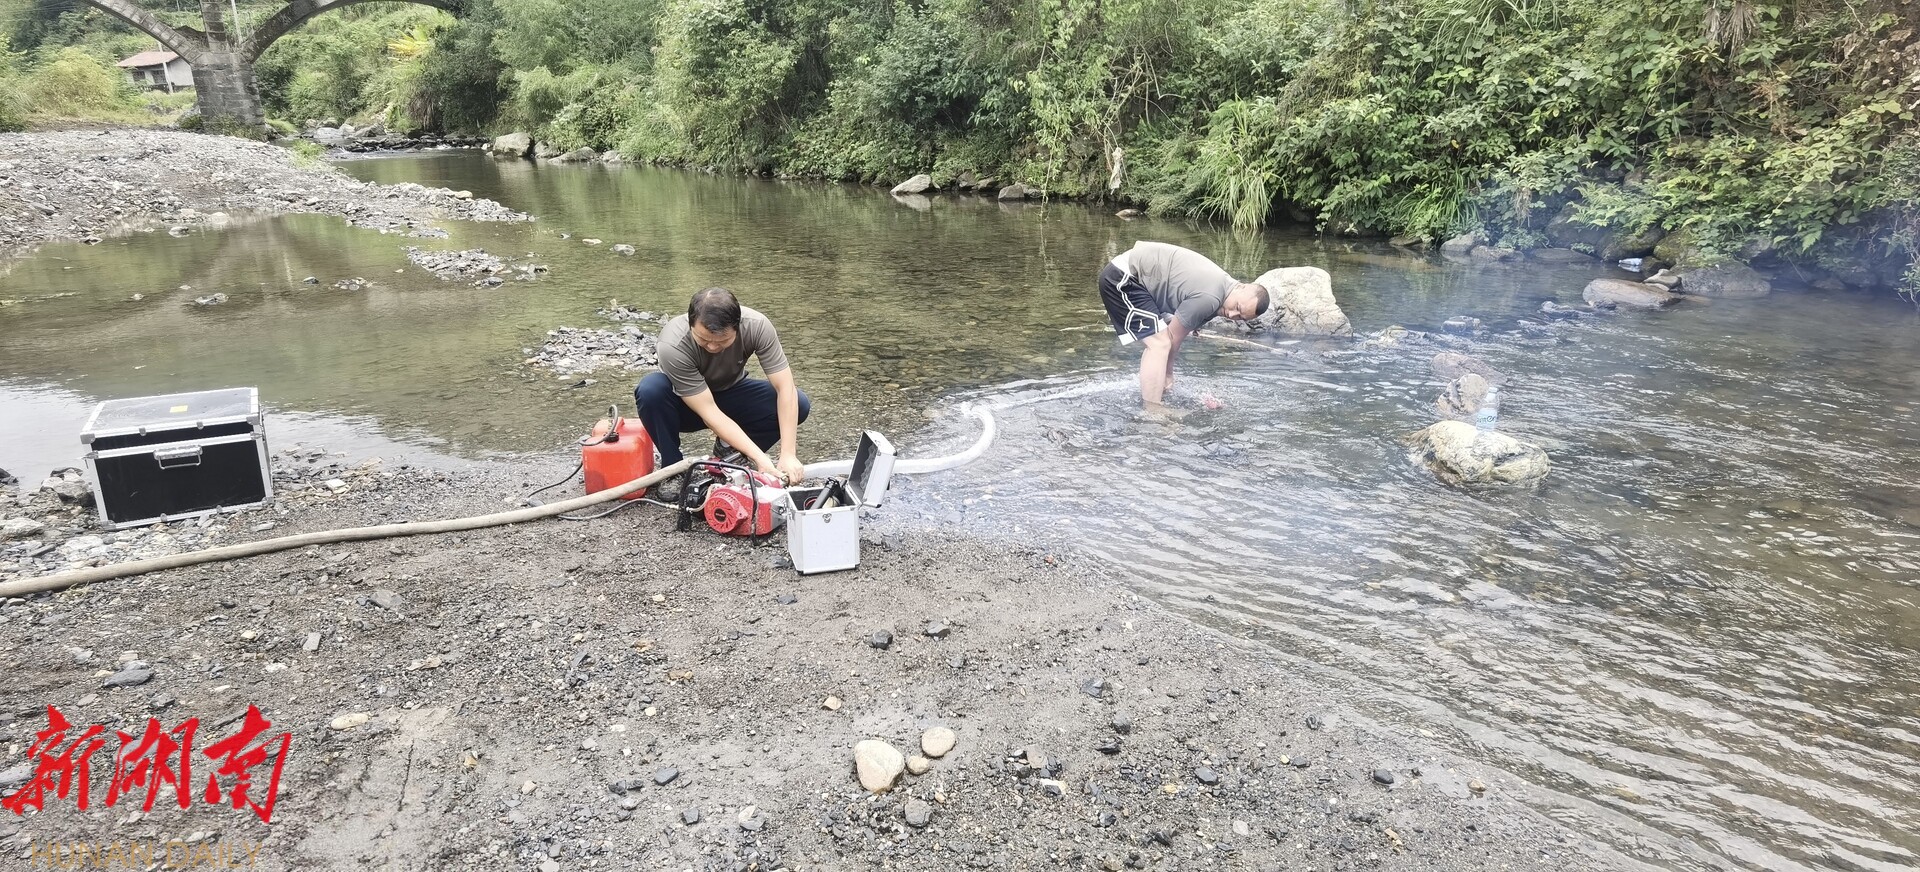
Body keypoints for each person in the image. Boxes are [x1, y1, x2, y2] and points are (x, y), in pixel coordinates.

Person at [634, 287, 810, 484]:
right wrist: (761, 458)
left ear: (738, 326)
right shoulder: (672, 344)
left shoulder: (757, 326)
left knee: (799, 402)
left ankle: (730, 455)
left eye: (722, 341)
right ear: (691, 324)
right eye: (703, 339)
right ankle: (672, 470)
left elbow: (785, 387)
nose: (712, 346)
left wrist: (788, 454)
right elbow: (709, 411)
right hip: (685, 406)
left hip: (730, 394)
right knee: (651, 390)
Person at [1097, 240, 1271, 410]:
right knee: (1160, 344)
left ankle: (1153, 395)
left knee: (1159, 342)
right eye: (1238, 308)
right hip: (1123, 277)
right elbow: (1173, 338)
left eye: (1241, 317)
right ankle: (1152, 411)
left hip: (1139, 281)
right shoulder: (1210, 298)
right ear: (1242, 287)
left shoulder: (1224, 291)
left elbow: (1175, 326)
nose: (1232, 315)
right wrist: (1168, 376)